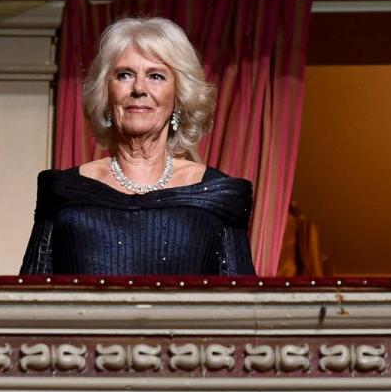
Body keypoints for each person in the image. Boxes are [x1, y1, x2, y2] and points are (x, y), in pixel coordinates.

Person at [20, 17, 255, 275]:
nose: (139, 88)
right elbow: (30, 301)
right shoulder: (63, 192)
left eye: (156, 76)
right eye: (124, 75)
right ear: (105, 94)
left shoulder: (217, 196)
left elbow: (242, 307)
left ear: (179, 97)